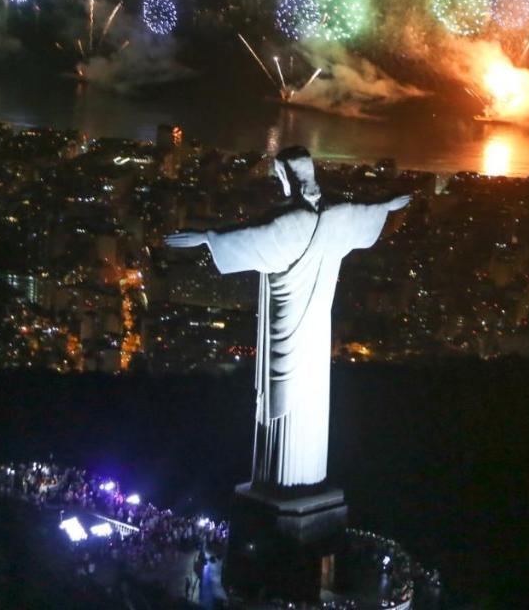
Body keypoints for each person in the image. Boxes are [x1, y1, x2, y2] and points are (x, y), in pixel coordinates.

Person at [166, 147, 409, 488]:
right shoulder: (337, 212)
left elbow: (249, 237)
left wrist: (206, 238)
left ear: (285, 177)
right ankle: (301, 480)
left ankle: (279, 484)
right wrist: (387, 205)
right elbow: (365, 212)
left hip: (286, 324)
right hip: (317, 328)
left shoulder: (289, 221)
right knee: (310, 397)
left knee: (282, 397)